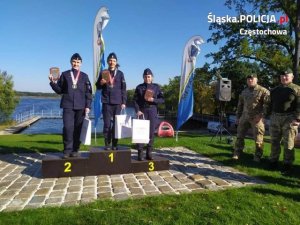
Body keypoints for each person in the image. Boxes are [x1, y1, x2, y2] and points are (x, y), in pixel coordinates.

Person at [49, 53, 92, 158]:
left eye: (78, 62)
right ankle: (67, 150)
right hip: (68, 105)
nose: (75, 64)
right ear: (71, 62)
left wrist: (88, 106)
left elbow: (88, 93)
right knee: (68, 128)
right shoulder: (64, 74)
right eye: (74, 61)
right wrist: (52, 83)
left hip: (81, 107)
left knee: (78, 128)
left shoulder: (85, 76)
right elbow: (59, 90)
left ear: (81, 63)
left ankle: (76, 149)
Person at [266, 68, 300, 174]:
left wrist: (298, 118)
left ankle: (287, 165)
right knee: (274, 141)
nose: (284, 77)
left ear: (292, 77)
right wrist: (266, 116)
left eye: (286, 76)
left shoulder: (297, 89)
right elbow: (269, 104)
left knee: (288, 143)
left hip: (289, 118)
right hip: (275, 118)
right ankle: (273, 161)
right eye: (282, 76)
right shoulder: (275, 90)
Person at [233, 74, 270, 161]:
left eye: (252, 79)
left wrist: (261, 116)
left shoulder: (263, 91)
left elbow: (267, 105)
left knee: (258, 138)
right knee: (239, 136)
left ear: (256, 80)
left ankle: (257, 156)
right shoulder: (244, 92)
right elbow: (240, 105)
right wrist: (238, 117)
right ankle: (237, 152)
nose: (250, 80)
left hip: (257, 118)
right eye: (248, 79)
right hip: (244, 116)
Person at [96, 52, 126, 150]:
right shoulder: (104, 72)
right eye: (110, 60)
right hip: (106, 103)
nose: (112, 62)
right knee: (107, 124)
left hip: (117, 103)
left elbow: (123, 89)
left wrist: (124, 102)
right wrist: (101, 83)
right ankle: (107, 143)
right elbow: (97, 86)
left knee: (116, 125)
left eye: (114, 61)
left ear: (116, 62)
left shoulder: (120, 74)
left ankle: (115, 144)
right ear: (108, 62)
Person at [133, 68, 164, 161]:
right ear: (143, 77)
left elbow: (162, 100)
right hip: (142, 111)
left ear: (152, 77)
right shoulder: (139, 87)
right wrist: (137, 110)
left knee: (151, 132)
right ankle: (140, 153)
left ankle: (149, 152)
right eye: (146, 76)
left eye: (149, 76)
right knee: (140, 132)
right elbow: (135, 100)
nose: (147, 78)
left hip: (152, 110)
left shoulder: (156, 87)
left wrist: (153, 100)